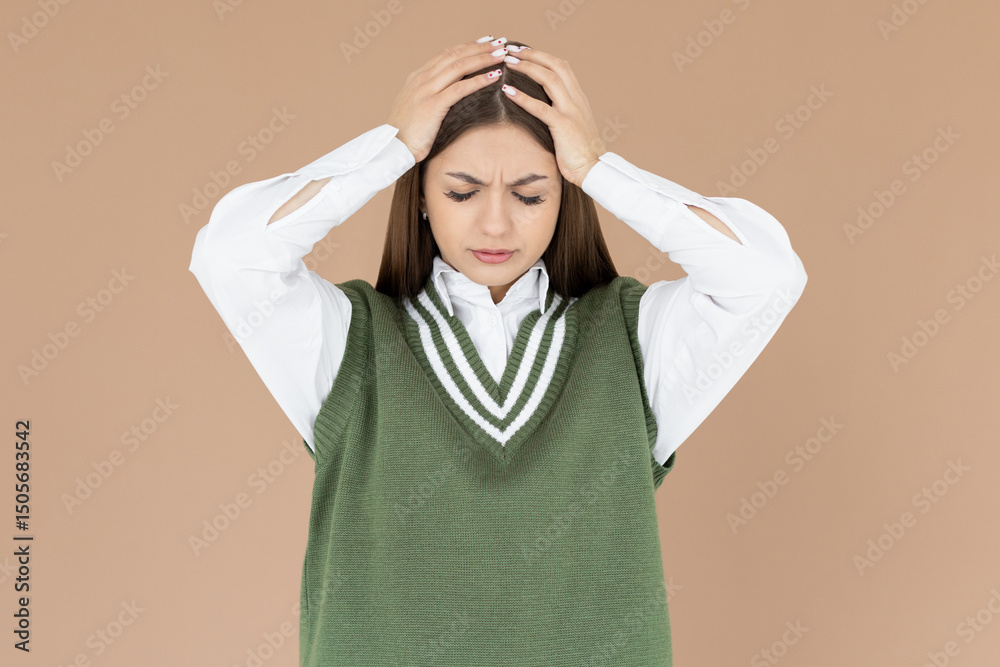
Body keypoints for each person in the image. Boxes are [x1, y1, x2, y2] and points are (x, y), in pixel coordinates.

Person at [189, 35, 807, 667]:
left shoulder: (631, 341)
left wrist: (598, 167)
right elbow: (230, 256)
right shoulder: (349, 341)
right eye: (462, 192)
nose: (495, 224)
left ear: (565, 195)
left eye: (531, 194)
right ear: (419, 194)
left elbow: (766, 276)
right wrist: (390, 148)